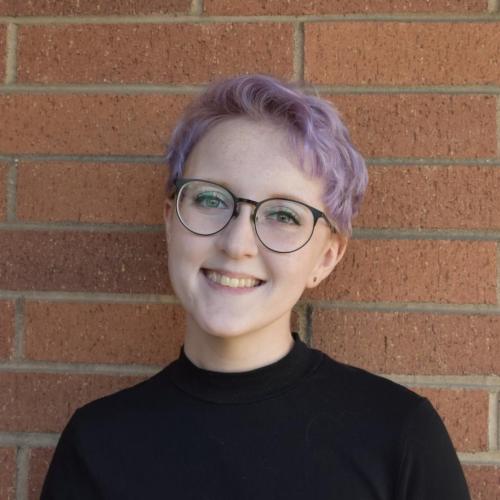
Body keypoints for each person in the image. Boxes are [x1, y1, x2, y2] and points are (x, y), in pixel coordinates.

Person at [40, 74, 470, 499]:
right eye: (211, 199)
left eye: (284, 215)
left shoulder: (398, 436)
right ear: (171, 220)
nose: (237, 244)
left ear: (325, 257)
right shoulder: (96, 443)